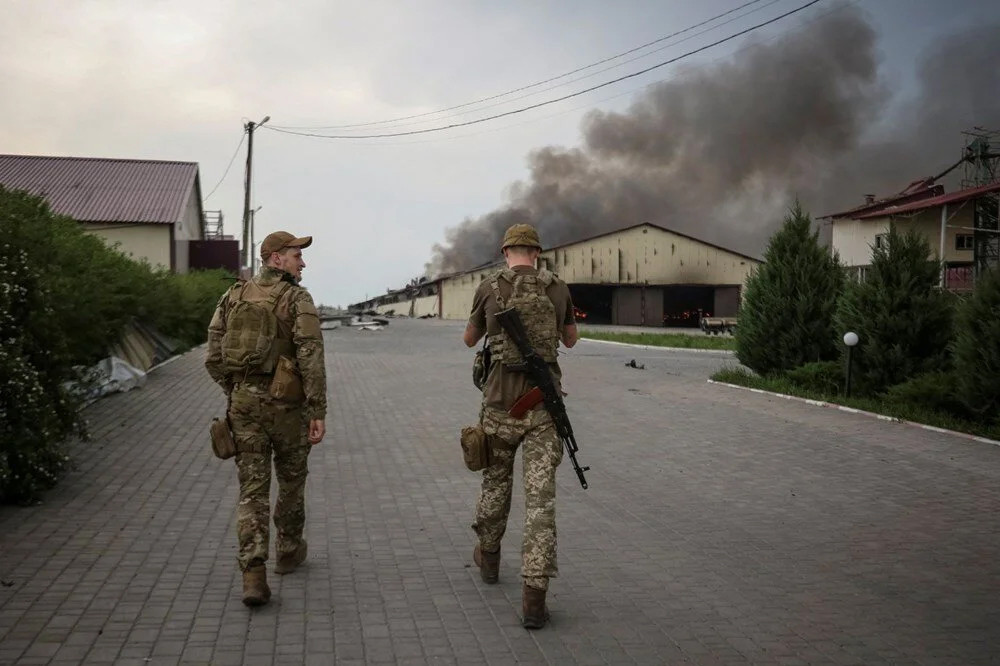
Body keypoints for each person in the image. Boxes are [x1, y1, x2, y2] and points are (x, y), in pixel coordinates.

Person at [463, 222, 578, 629]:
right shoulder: (558, 288)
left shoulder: (489, 287)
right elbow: (570, 341)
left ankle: (489, 558)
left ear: (506, 250)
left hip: (498, 407)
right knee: (540, 502)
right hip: (544, 409)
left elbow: (467, 338)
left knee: (495, 484)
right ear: (537, 253)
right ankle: (534, 596)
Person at [205, 230, 327, 607]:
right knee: (291, 480)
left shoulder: (233, 295)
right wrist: (317, 409)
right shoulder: (296, 298)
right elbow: (310, 356)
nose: (302, 262)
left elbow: (212, 354)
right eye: (295, 255)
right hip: (287, 408)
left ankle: (253, 574)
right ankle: (288, 551)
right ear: (276, 259)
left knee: (252, 491)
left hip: (244, 406)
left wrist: (237, 391)